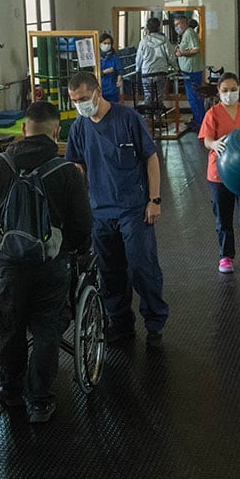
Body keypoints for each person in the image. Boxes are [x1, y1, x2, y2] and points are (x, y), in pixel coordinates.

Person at [0, 101, 93, 423]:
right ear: (56, 131)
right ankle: (39, 402)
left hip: (6, 265)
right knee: (48, 329)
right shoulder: (66, 171)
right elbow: (81, 226)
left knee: (9, 328)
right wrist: (75, 252)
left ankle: (10, 392)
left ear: (24, 129)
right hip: (50, 264)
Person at [65, 70, 170, 349]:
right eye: (74, 100)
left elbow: (150, 158)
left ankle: (155, 322)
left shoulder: (128, 119)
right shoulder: (79, 126)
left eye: (84, 98)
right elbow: (77, 167)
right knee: (110, 272)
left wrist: (155, 200)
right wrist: (78, 205)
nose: (80, 104)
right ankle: (120, 324)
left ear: (98, 92)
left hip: (133, 209)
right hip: (100, 212)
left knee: (142, 268)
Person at [197, 72, 240, 280]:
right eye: (224, 91)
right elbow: (207, 139)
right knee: (223, 218)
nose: (229, 94)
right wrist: (214, 144)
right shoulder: (213, 113)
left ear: (239, 89)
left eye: (233, 90)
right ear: (218, 92)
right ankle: (226, 256)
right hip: (219, 174)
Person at [135, 16, 176, 112]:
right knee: (159, 97)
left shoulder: (143, 41)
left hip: (146, 73)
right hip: (161, 72)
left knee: (148, 97)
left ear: (147, 28)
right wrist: (176, 67)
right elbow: (170, 56)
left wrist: (137, 70)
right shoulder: (164, 40)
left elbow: (139, 58)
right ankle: (158, 118)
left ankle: (148, 119)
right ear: (159, 27)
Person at [173, 15, 205, 130]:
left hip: (192, 71)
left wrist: (181, 54)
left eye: (178, 24)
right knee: (193, 98)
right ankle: (197, 120)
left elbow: (195, 49)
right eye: (175, 25)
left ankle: (200, 123)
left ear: (184, 23)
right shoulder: (185, 35)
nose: (176, 27)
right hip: (188, 71)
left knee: (195, 98)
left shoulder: (189, 33)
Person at [98, 32, 123, 103]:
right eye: (105, 43)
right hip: (100, 90)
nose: (107, 45)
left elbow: (119, 70)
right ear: (99, 44)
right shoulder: (96, 57)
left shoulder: (114, 57)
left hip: (112, 90)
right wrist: (104, 72)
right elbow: (92, 73)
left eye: (109, 43)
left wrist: (119, 79)